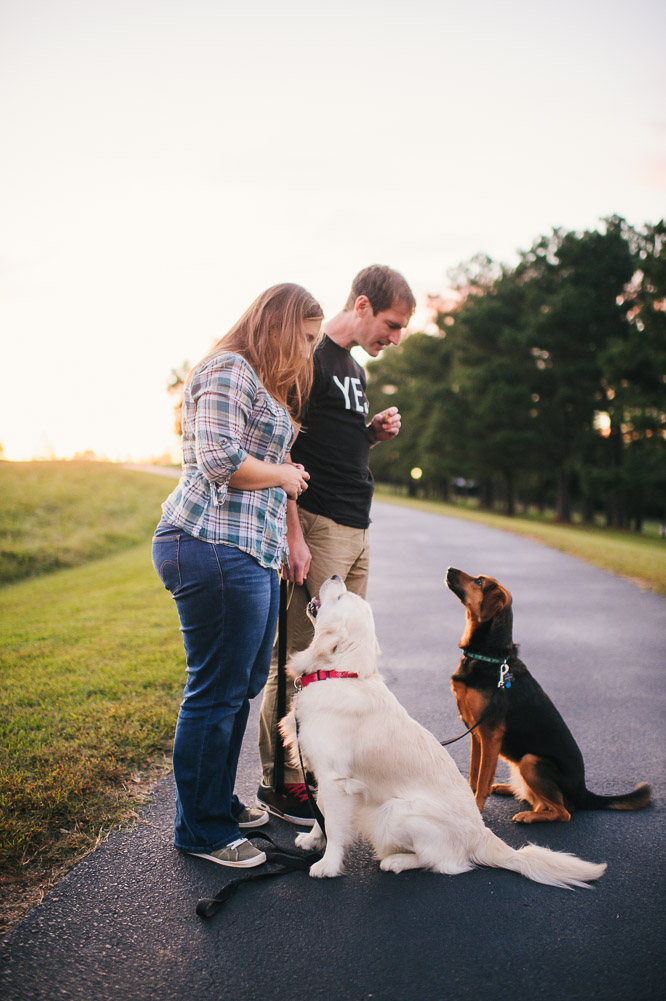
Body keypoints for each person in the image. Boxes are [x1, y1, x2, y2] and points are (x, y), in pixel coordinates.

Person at [152, 283, 323, 867]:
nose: (307, 353)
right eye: (303, 339)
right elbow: (220, 460)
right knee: (215, 692)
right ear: (276, 324)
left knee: (241, 687)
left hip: (249, 550)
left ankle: (215, 807)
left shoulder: (264, 385)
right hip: (208, 542)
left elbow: (263, 466)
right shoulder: (229, 369)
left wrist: (286, 527)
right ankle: (200, 831)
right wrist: (282, 475)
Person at [257, 265, 415, 822]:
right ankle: (283, 780)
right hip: (318, 525)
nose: (394, 339)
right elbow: (284, 450)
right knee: (302, 656)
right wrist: (293, 534)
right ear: (364, 304)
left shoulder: (353, 370)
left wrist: (368, 435)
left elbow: (334, 446)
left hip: (357, 525)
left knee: (343, 660)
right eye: (393, 325)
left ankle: (326, 765)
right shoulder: (311, 356)